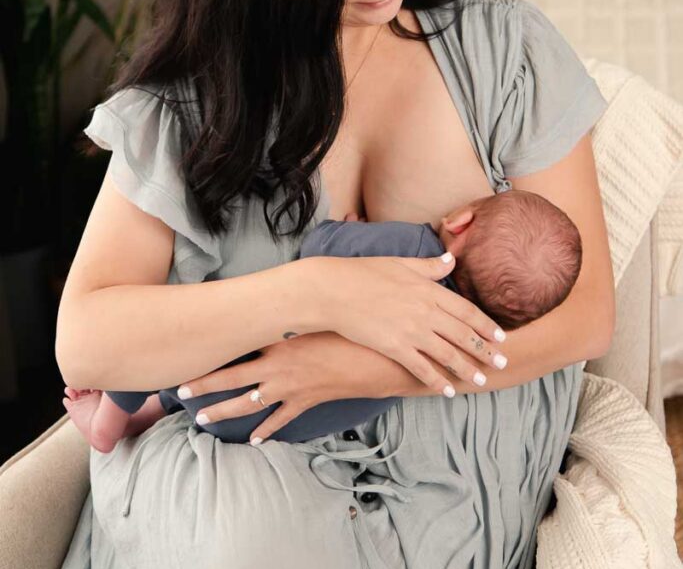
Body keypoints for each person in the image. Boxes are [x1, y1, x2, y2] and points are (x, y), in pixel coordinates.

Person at [55, 0, 614, 569]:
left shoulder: (503, 50)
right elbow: (84, 342)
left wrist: (361, 367)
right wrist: (310, 293)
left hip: (452, 468)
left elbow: (585, 318)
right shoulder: (197, 102)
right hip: (249, 469)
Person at [62, 187, 582, 452]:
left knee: (164, 321)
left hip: (233, 372)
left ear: (461, 219)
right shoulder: (450, 347)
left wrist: (349, 233)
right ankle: (154, 411)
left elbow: (320, 249)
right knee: (184, 391)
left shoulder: (412, 249)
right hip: (278, 426)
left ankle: (108, 424)